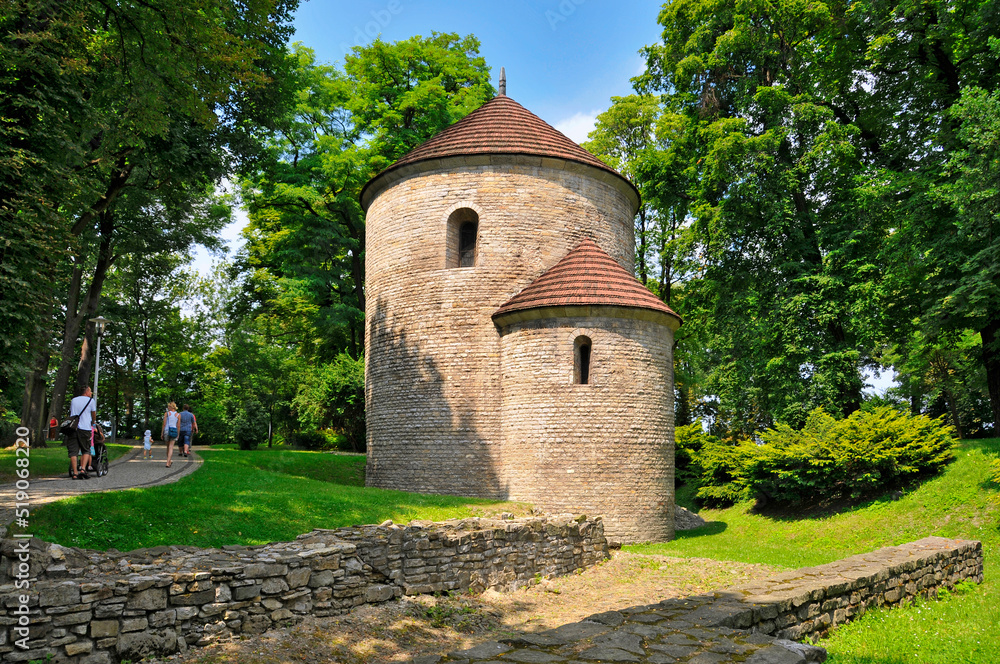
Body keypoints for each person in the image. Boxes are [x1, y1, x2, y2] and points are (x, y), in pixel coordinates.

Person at [67, 386, 96, 479]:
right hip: (85, 428)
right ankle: (83, 469)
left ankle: (75, 473)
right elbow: (93, 414)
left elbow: (72, 412)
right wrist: (93, 422)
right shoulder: (91, 401)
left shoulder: (74, 400)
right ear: (87, 392)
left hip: (73, 428)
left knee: (73, 451)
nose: (91, 393)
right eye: (90, 391)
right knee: (86, 449)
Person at [161, 401, 179, 468]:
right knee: (171, 447)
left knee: (168, 447)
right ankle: (168, 462)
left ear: (171, 407)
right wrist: (178, 434)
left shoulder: (167, 414)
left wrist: (162, 433)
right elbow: (178, 425)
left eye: (168, 406)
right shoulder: (178, 415)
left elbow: (164, 424)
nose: (168, 407)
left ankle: (168, 461)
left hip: (167, 431)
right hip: (174, 431)